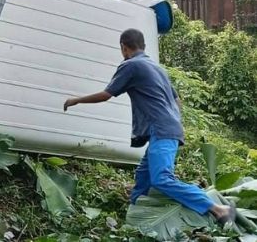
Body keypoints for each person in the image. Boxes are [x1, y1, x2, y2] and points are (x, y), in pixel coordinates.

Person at [64, 29, 236, 223]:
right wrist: (171, 121)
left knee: (161, 179)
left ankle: (217, 209)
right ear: (143, 46)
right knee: (143, 177)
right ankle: (136, 219)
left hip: (161, 130)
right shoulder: (156, 67)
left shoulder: (131, 66)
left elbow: (106, 94)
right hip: (166, 129)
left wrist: (76, 100)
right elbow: (177, 101)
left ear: (123, 47)